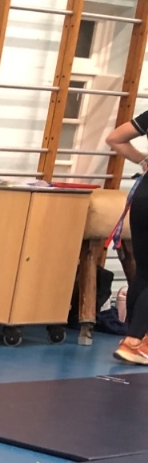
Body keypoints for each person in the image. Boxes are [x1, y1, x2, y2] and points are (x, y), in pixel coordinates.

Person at [104, 108, 148, 365]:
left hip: (143, 198)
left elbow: (115, 138)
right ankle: (134, 341)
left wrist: (143, 159)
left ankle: (134, 339)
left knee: (144, 272)